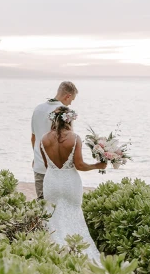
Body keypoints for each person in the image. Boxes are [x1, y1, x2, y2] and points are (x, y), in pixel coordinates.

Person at [40, 105, 106, 262]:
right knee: (74, 216)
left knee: (53, 217)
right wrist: (97, 166)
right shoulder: (74, 138)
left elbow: (45, 165)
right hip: (70, 183)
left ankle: (56, 254)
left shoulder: (44, 139)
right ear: (69, 120)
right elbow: (80, 165)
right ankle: (78, 254)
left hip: (51, 182)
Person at [31, 81, 78, 199]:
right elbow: (66, 142)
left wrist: (35, 157)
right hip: (58, 169)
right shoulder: (65, 113)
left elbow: (33, 137)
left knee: (42, 205)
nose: (70, 104)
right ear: (68, 96)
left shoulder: (38, 109)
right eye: (71, 100)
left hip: (39, 165)